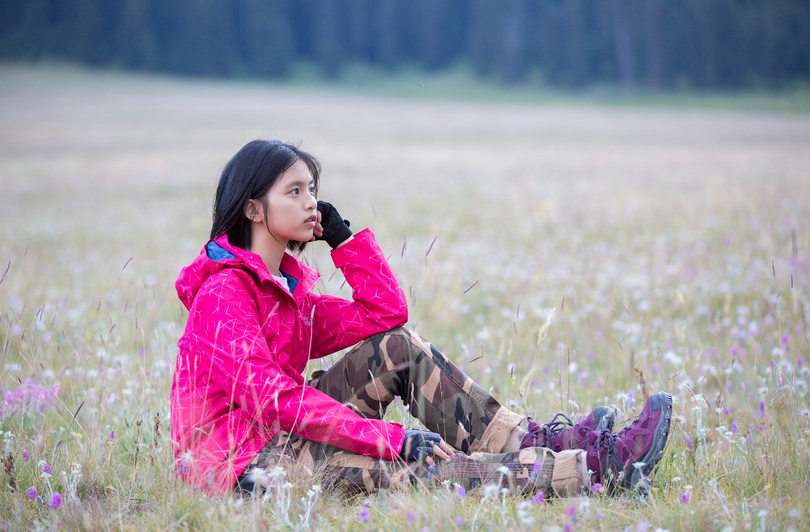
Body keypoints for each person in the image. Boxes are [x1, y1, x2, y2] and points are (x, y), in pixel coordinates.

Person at [170, 139, 673, 498]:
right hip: (243, 466)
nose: (311, 203)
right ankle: (595, 468)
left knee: (399, 348)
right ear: (255, 210)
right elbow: (275, 400)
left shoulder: (286, 293)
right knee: (420, 468)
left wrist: (343, 240)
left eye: (311, 189)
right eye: (294, 192)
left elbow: (385, 315)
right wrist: (391, 439)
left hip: (281, 436)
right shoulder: (225, 294)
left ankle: (543, 441)